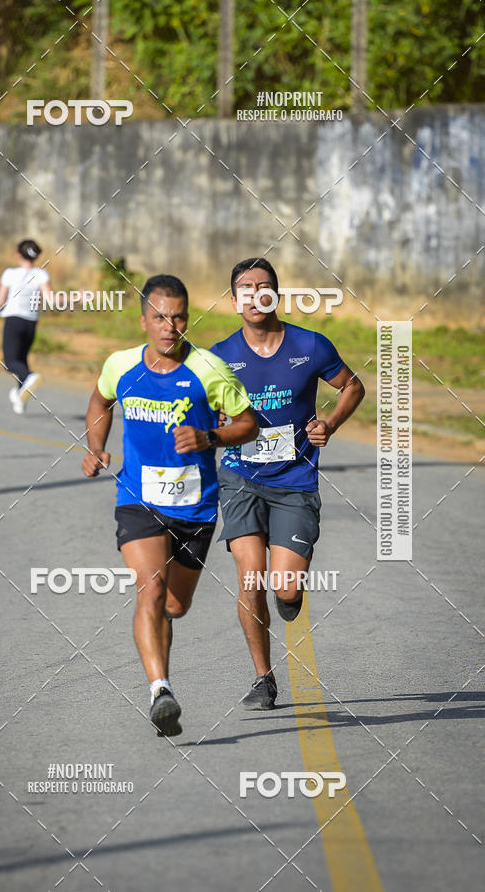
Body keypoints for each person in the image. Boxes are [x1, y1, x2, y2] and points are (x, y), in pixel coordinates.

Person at [81, 274, 258, 737]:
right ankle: (160, 690)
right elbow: (100, 401)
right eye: (160, 316)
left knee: (175, 606)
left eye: (179, 316)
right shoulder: (120, 365)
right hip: (138, 499)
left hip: (195, 507)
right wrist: (96, 445)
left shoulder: (208, 369)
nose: (170, 325)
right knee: (150, 588)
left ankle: (162, 678)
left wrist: (209, 437)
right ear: (144, 320)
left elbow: (248, 424)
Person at [210, 257, 365, 710]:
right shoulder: (218, 356)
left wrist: (330, 424)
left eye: (263, 286)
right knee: (250, 577)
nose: (255, 294)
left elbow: (352, 387)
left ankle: (291, 587)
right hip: (241, 477)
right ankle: (263, 677)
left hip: (295, 480)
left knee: (284, 588)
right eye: (245, 287)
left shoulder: (310, 345)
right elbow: (203, 410)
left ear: (275, 294)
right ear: (234, 299)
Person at [0, 239, 50, 414]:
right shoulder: (41, 274)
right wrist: (77, 299)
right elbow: (51, 299)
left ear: (18, 255)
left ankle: (30, 377)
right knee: (22, 360)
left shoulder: (9, 273)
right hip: (31, 323)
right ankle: (20, 398)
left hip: (13, 320)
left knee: (10, 362)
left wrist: (2, 305)